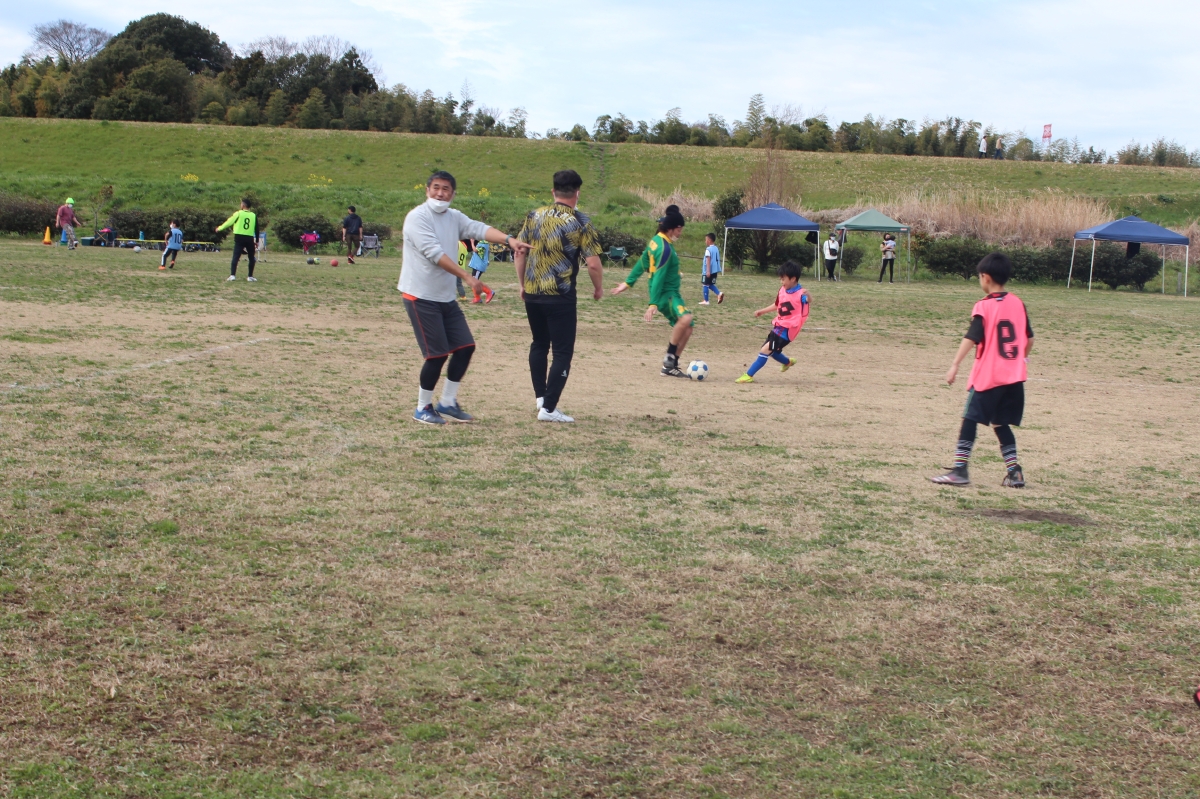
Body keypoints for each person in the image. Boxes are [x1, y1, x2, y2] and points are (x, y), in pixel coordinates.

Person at [399, 170, 528, 425]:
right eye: (436, 187)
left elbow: (478, 229)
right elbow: (434, 254)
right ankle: (422, 407)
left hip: (445, 298)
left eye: (446, 189)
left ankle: (447, 403)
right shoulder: (417, 218)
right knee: (437, 355)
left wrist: (509, 240)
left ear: (453, 194)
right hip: (420, 296)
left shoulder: (453, 217)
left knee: (465, 347)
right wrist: (468, 278)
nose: (440, 193)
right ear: (427, 190)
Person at [930, 252, 1033, 487]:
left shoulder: (984, 306)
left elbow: (972, 336)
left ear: (985, 277)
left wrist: (955, 364)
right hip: (1014, 378)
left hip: (989, 376)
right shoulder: (1018, 303)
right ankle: (1015, 472)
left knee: (970, 418)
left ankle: (960, 470)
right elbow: (1029, 338)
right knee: (1000, 422)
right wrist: (1022, 358)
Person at [514, 169, 603, 423]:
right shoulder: (581, 221)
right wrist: (598, 288)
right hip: (560, 295)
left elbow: (519, 251)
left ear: (553, 191)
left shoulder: (534, 216)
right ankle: (550, 408)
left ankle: (541, 398)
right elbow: (593, 263)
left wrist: (522, 284)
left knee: (539, 343)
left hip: (533, 292)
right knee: (562, 352)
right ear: (577, 193)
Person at [611, 205, 692, 378]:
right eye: (679, 230)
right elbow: (658, 277)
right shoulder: (665, 248)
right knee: (686, 319)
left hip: (671, 293)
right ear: (671, 228)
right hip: (666, 294)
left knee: (688, 328)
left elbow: (642, 262)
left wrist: (628, 283)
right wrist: (653, 303)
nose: (680, 233)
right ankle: (670, 357)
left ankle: (671, 365)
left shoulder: (657, 240)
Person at [735, 260, 809, 384]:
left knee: (765, 350)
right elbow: (777, 305)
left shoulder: (801, 294)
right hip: (779, 326)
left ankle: (748, 375)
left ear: (793, 279)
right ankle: (787, 362)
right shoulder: (782, 290)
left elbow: (808, 301)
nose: (781, 282)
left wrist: (808, 296)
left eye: (783, 279)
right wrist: (762, 311)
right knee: (772, 352)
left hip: (788, 330)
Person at [215, 199, 259, 282]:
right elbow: (257, 229)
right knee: (251, 257)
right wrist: (257, 241)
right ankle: (250, 276)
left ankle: (232, 275)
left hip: (239, 237)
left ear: (243, 205)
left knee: (236, 256)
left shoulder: (238, 213)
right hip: (249, 238)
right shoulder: (253, 215)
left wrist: (220, 228)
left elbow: (229, 222)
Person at [700, 232, 724, 304]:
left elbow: (708, 260)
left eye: (706, 240)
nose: (705, 241)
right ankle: (719, 294)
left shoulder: (708, 249)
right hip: (715, 270)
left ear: (709, 240)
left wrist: (707, 271)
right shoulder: (716, 248)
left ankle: (706, 301)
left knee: (705, 284)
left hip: (708, 271)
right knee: (710, 284)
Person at [468, 239, 493, 303]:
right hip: (477, 264)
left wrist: (472, 242)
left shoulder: (483, 243)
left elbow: (475, 250)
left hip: (479, 265)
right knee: (474, 281)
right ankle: (477, 298)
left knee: (475, 282)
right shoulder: (482, 242)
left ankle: (489, 292)